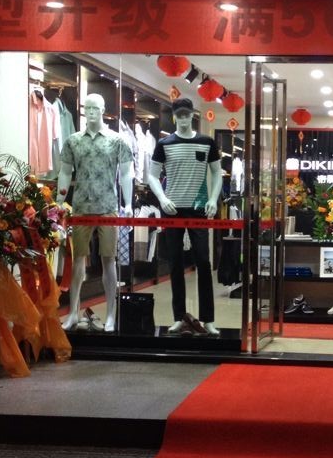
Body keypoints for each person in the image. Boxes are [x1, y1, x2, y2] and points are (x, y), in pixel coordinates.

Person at [56, 93, 134, 332]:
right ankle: (73, 313)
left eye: (95, 108)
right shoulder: (73, 141)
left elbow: (126, 173)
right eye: (87, 108)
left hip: (108, 207)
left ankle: (110, 314)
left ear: (103, 110)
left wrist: (128, 203)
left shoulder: (117, 140)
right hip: (81, 208)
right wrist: (59, 201)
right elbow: (65, 172)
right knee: (78, 260)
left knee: (108, 260)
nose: (90, 112)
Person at [147, 97, 222, 336]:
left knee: (203, 262)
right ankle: (179, 317)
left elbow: (217, 173)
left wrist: (213, 199)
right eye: (178, 115)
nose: (182, 119)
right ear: (174, 116)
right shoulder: (164, 143)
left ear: (192, 116)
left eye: (186, 114)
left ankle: (208, 319)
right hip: (172, 208)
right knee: (175, 263)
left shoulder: (206, 142)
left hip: (199, 207)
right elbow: (152, 175)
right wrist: (162, 198)